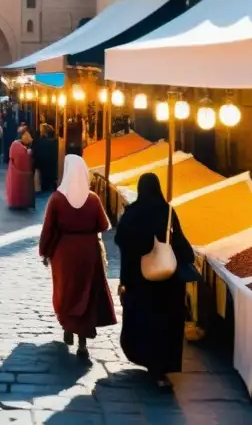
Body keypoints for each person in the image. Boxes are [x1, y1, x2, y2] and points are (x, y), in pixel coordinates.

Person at [115, 172, 195, 387]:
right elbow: (180, 243)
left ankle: (149, 362)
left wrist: (124, 280)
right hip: (167, 283)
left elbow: (120, 240)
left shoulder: (133, 213)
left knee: (144, 322)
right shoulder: (167, 211)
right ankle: (160, 370)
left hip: (140, 282)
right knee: (164, 325)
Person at [39, 155, 116, 360]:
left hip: (63, 253)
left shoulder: (56, 198)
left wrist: (44, 251)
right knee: (86, 293)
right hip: (89, 252)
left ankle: (67, 326)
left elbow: (48, 229)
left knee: (66, 291)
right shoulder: (93, 199)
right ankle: (82, 342)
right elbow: (104, 225)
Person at [7, 129, 36, 210]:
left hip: (14, 171)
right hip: (24, 173)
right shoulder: (22, 148)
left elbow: (11, 156)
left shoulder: (14, 144)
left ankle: (15, 202)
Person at [34, 124, 59, 193]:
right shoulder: (55, 142)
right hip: (52, 168)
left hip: (42, 167)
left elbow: (36, 155)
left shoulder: (38, 141)